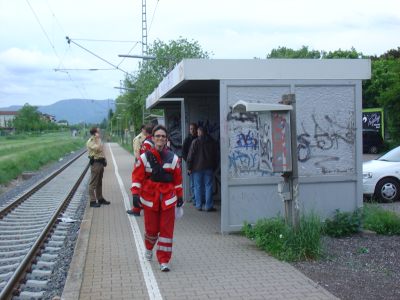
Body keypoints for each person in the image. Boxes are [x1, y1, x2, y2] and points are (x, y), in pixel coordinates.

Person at [131, 125, 183, 272]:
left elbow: (177, 180)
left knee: (166, 232)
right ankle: (148, 248)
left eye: (163, 136)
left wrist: (179, 197)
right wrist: (135, 194)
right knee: (151, 230)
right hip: (150, 199)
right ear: (153, 138)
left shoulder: (173, 158)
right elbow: (137, 177)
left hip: (168, 199)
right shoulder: (144, 158)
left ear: (166, 140)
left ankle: (164, 260)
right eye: (158, 136)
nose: (160, 138)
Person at [186, 126, 218, 212]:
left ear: (200, 132)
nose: (197, 133)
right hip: (209, 168)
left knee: (198, 187)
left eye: (197, 131)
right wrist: (214, 167)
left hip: (197, 168)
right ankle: (208, 206)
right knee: (208, 186)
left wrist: (189, 167)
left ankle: (199, 205)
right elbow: (216, 156)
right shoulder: (212, 142)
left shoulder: (195, 142)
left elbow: (190, 156)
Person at [127, 124, 154, 216]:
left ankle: (137, 209)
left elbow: (143, 157)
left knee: (140, 189)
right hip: (152, 170)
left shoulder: (147, 143)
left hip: (145, 170)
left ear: (146, 131)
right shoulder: (153, 140)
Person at [86, 127, 110, 207]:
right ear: (94, 133)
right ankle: (92, 201)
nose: (99, 134)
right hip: (95, 163)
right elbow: (98, 148)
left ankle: (100, 198)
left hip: (100, 162)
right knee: (93, 183)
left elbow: (102, 150)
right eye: (98, 132)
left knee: (99, 182)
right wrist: (97, 139)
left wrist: (105, 159)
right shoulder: (91, 141)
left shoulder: (98, 140)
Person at [181, 123, 198, 203]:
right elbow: (183, 152)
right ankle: (194, 199)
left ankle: (198, 199)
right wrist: (187, 161)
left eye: (194, 129)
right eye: (191, 129)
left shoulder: (198, 138)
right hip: (191, 164)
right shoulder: (187, 139)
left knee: (197, 183)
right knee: (193, 183)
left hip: (198, 163)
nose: (192, 130)